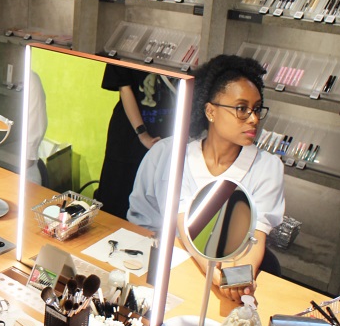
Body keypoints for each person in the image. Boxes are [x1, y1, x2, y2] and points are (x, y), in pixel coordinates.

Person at [127, 55, 284, 302]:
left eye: (256, 109)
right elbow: (177, 226)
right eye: (241, 109)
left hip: (224, 286)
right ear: (210, 111)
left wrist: (237, 282)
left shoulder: (267, 168)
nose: (253, 119)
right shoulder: (169, 155)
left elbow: (256, 238)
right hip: (165, 273)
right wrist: (215, 275)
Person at [96, 62, 176, 218]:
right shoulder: (124, 46)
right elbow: (124, 88)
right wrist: (142, 134)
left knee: (157, 206)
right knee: (116, 203)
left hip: (167, 137)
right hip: (128, 139)